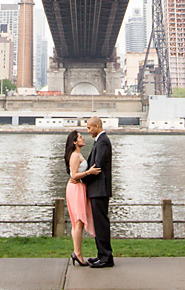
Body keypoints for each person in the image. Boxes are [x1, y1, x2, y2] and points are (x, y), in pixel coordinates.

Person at [64, 129, 101, 266]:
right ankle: (77, 253)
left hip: (79, 187)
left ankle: (77, 252)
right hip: (76, 188)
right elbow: (73, 175)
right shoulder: (75, 156)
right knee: (78, 221)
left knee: (78, 222)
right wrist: (89, 172)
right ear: (75, 142)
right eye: (80, 137)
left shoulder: (78, 155)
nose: (83, 138)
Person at [82, 115, 114, 268]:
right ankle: (101, 254)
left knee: (101, 223)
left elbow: (97, 166)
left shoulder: (103, 142)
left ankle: (106, 257)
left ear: (97, 126)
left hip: (100, 190)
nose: (88, 131)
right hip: (97, 189)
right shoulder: (100, 142)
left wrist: (82, 178)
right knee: (98, 223)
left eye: (89, 128)